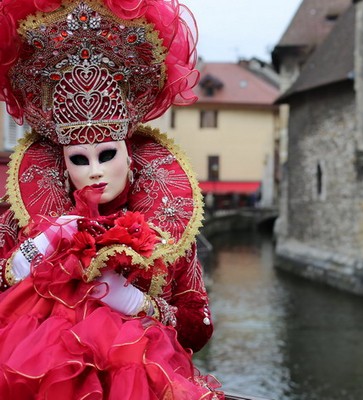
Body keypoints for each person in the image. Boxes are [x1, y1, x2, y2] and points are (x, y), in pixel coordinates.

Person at [0, 0, 224, 398]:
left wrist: (141, 304)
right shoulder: (24, 217)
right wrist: (32, 255)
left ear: (129, 155)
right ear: (63, 163)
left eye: (106, 155)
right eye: (79, 160)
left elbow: (198, 325)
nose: (95, 171)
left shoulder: (169, 228)